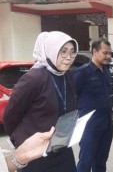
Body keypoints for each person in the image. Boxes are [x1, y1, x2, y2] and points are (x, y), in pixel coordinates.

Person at [3, 31, 79, 172]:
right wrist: (21, 142)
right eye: (63, 52)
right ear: (51, 50)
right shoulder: (34, 78)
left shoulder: (67, 75)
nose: (69, 57)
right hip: (35, 155)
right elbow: (10, 117)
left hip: (61, 148)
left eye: (72, 52)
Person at [73, 38, 113, 172]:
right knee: (86, 161)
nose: (108, 56)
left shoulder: (106, 72)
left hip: (107, 124)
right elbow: (73, 95)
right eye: (105, 53)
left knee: (101, 161)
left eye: (110, 53)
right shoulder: (82, 72)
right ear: (94, 52)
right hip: (89, 125)